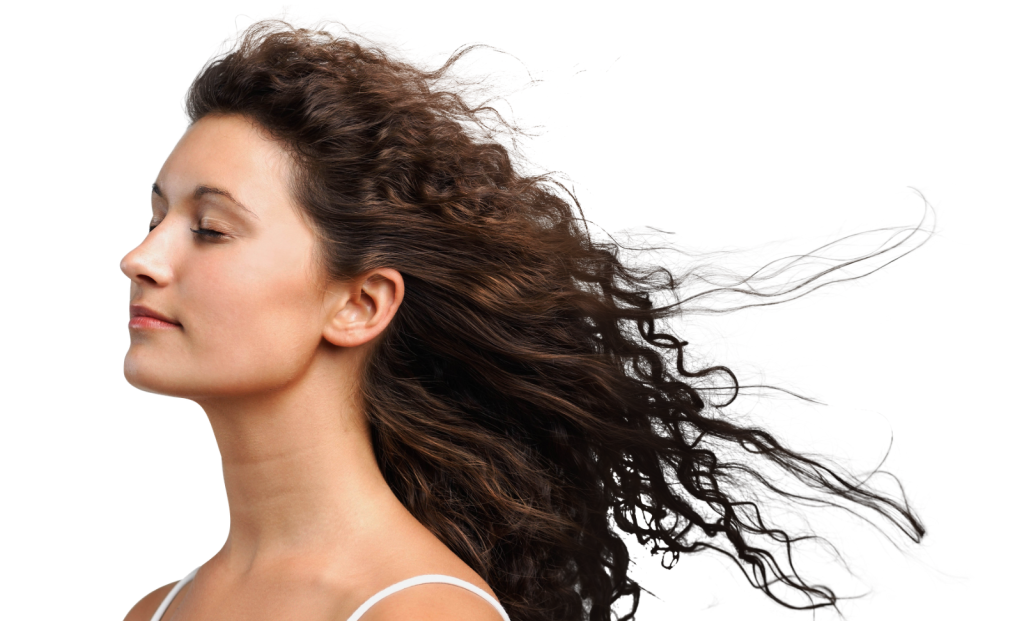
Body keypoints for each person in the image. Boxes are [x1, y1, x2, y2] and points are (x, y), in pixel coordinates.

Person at [121, 21, 925, 621]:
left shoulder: (420, 612)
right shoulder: (157, 610)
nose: (142, 257)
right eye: (156, 218)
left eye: (210, 229)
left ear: (360, 304)